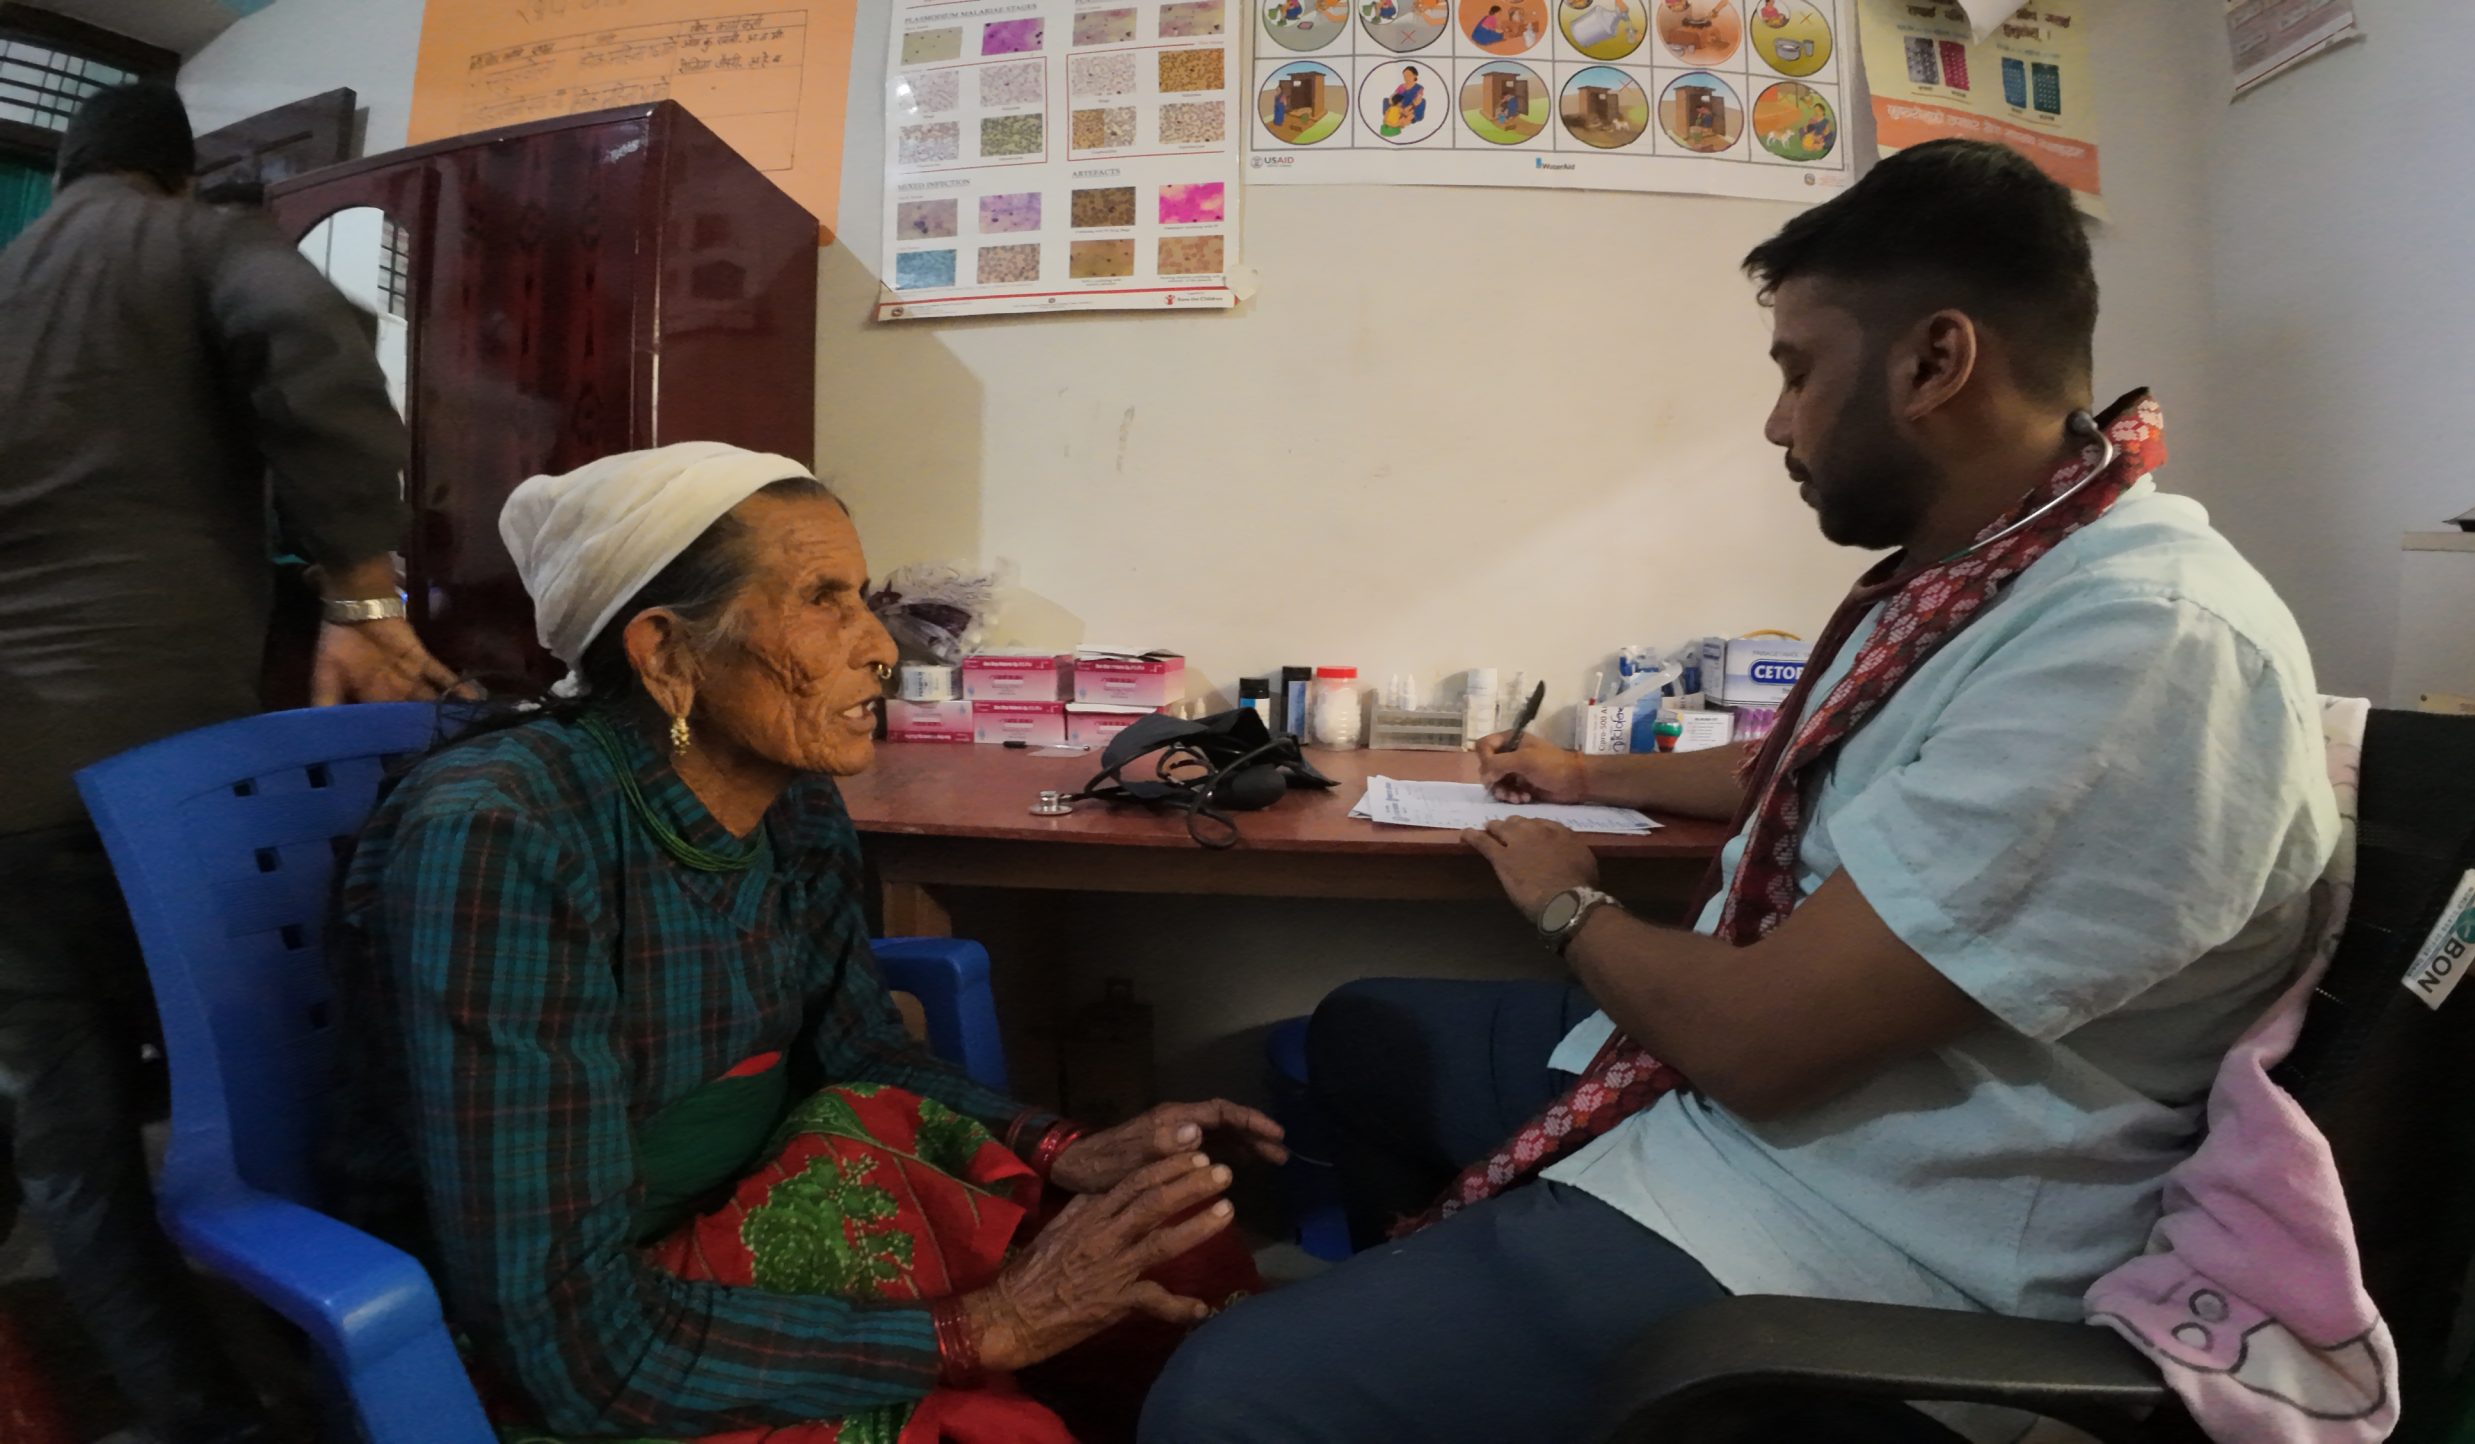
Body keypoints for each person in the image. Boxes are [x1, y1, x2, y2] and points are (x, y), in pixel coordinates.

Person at [1141, 139, 2338, 1442]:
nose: (1778, 421)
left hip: (1866, 1229)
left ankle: (1440, 1357)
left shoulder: (2144, 640)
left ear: (1935, 362)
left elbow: (1756, 1045)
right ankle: (1449, 1355)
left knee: (1223, 1398)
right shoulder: (1995, 575)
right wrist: (1585, 772)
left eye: (1798, 370)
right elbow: (1812, 765)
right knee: (1367, 1031)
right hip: (1771, 1117)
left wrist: (1569, 906)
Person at [331, 442, 1288, 1442]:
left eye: (861, 598)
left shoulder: (793, 800)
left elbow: (857, 1049)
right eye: (823, 600)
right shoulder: (503, 836)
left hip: (752, 1201)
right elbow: (569, 1341)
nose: (881, 647)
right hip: (588, 1324)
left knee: (1180, 1256)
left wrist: (1067, 1149)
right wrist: (985, 1327)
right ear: (667, 654)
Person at [0, 82, 456, 1444]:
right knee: (269, 1080)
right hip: (158, 794)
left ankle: (196, 1416)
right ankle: (351, 1368)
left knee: (70, 1133)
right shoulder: (194, 240)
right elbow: (311, 346)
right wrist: (360, 588)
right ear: (173, 173)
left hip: (6, 789)